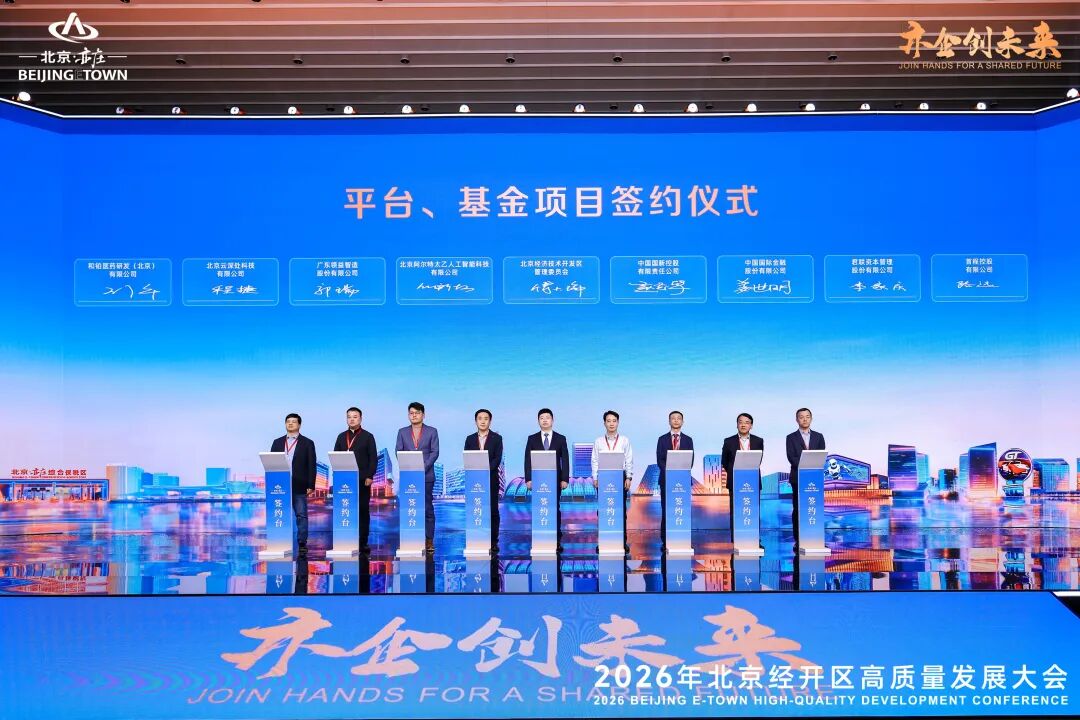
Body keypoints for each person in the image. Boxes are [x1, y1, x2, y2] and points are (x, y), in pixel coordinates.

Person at [395, 402, 440, 554]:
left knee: (427, 508)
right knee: (409, 508)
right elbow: (398, 451)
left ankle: (429, 540)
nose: (414, 415)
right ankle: (408, 539)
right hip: (409, 476)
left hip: (426, 476)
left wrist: (423, 467)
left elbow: (435, 452)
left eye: (417, 413)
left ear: (423, 415)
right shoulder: (402, 432)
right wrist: (409, 467)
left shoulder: (432, 431)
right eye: (411, 413)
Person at [524, 408, 569, 553]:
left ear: (552, 420)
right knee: (539, 508)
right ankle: (539, 539)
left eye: (547, 417)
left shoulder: (560, 438)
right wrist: (528, 479)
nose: (544, 420)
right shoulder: (532, 438)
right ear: (538, 421)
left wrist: (564, 479)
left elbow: (565, 459)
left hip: (555, 481)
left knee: (555, 508)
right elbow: (527, 460)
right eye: (541, 418)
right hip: (538, 481)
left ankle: (556, 540)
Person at [270, 413, 317, 553]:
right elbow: (271, 462)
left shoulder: (307, 443)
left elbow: (311, 465)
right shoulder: (277, 442)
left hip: (299, 483)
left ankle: (302, 543)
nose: (290, 424)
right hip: (280, 485)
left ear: (299, 425)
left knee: (301, 515)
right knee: (279, 513)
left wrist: (311, 484)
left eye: (293, 422)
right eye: (288, 421)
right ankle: (278, 541)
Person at [334, 406, 377, 554]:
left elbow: (373, 459)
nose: (351, 419)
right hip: (345, 482)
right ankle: (345, 540)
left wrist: (370, 476)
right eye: (349, 417)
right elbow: (336, 457)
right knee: (346, 510)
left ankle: (362, 541)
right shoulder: (341, 437)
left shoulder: (368, 436)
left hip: (362, 480)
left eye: (355, 417)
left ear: (360, 419)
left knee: (363, 510)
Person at [591, 410, 633, 553]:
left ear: (618, 422)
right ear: (604, 423)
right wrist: (595, 478)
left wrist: (628, 477)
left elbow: (629, 459)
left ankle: (622, 542)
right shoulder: (598, 441)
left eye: (614, 421)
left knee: (621, 511)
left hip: (620, 477)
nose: (611, 423)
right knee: (604, 511)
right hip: (603, 478)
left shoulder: (624, 440)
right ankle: (603, 541)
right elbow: (595, 460)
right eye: (608, 421)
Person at [464, 408, 504, 556]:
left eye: (486, 418)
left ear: (490, 421)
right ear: (476, 421)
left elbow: (497, 459)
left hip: (491, 479)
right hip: (474, 482)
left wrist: (485, 470)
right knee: (476, 509)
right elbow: (467, 457)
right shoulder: (469, 439)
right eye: (480, 418)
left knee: (492, 510)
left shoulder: (497, 438)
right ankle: (476, 538)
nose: (483, 421)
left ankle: (493, 541)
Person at [785, 407, 826, 548]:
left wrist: (811, 466)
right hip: (798, 478)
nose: (804, 419)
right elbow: (791, 457)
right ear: (797, 419)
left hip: (815, 479)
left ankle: (816, 538)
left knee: (815, 507)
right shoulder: (791, 437)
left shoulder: (819, 436)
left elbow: (821, 455)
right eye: (801, 417)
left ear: (811, 418)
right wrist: (806, 465)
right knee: (798, 509)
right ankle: (799, 540)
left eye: (807, 416)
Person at [655, 410, 694, 550]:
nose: (676, 420)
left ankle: (683, 538)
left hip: (683, 482)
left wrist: (679, 474)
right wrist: (670, 473)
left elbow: (691, 460)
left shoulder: (688, 440)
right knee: (667, 510)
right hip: (666, 480)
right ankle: (666, 540)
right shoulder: (662, 439)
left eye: (679, 418)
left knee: (682, 510)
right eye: (673, 418)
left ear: (683, 422)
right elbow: (660, 459)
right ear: (669, 421)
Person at [720, 412, 764, 527]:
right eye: (741, 422)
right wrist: (736, 473)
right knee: (736, 511)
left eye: (747, 422)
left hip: (753, 482)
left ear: (751, 426)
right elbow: (724, 461)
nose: (743, 425)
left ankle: (754, 536)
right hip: (735, 481)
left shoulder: (758, 441)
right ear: (737, 425)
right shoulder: (728, 441)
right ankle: (735, 537)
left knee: (753, 511)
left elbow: (758, 460)